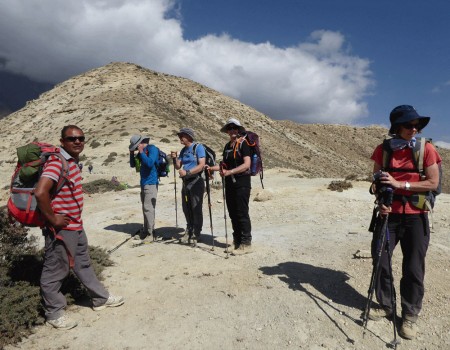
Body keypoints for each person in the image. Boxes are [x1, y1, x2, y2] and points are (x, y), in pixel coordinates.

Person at [34, 125, 124, 330]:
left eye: (81, 138)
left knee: (83, 263)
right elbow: (40, 192)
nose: (77, 142)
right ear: (62, 141)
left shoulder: (71, 162)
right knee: (55, 270)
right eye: (72, 138)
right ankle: (54, 313)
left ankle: (100, 298)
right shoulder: (57, 163)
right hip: (61, 230)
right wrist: (53, 219)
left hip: (75, 225)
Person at [368, 105, 441, 340]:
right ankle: (387, 305)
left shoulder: (426, 149)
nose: (414, 129)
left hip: (416, 215)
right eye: (409, 125)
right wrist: (380, 198)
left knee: (413, 267)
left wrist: (402, 186)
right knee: (380, 260)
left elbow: (432, 182)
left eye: (416, 125)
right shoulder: (384, 149)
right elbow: (375, 181)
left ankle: (409, 315)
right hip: (388, 215)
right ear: (397, 127)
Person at [207, 118, 253, 255]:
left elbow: (247, 164)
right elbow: (224, 166)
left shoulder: (244, 144)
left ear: (238, 130)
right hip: (230, 184)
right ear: (227, 131)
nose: (232, 130)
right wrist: (211, 168)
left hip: (242, 183)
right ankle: (237, 241)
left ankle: (246, 244)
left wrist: (230, 172)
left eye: (234, 128)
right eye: (229, 128)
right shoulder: (228, 146)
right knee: (233, 213)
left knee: (242, 213)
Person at [170, 128, 205, 244]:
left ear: (189, 136)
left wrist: (188, 172)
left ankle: (196, 233)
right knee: (186, 208)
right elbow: (177, 166)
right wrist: (175, 158)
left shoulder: (198, 148)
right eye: (179, 136)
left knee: (196, 208)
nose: (180, 138)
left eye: (182, 136)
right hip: (185, 182)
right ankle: (189, 230)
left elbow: (201, 165)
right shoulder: (183, 150)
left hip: (196, 181)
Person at [129, 135, 159, 241]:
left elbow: (150, 163)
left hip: (151, 182)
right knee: (145, 208)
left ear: (140, 143)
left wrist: (141, 152)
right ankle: (146, 231)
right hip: (143, 182)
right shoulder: (141, 152)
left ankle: (151, 233)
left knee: (149, 208)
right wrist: (132, 154)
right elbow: (133, 165)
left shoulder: (152, 149)